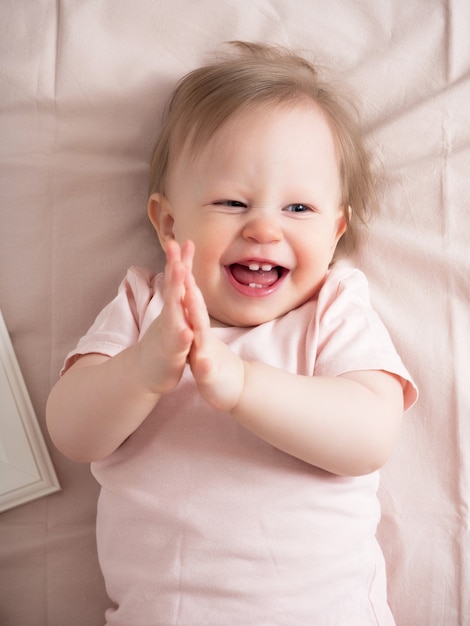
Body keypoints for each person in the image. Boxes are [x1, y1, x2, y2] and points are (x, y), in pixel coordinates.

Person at [46, 41, 418, 625]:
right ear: (169, 223)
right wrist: (144, 369)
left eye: (299, 209)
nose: (264, 227)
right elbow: (72, 430)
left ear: (336, 229)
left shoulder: (332, 309)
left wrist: (242, 384)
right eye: (231, 202)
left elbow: (370, 435)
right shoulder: (148, 305)